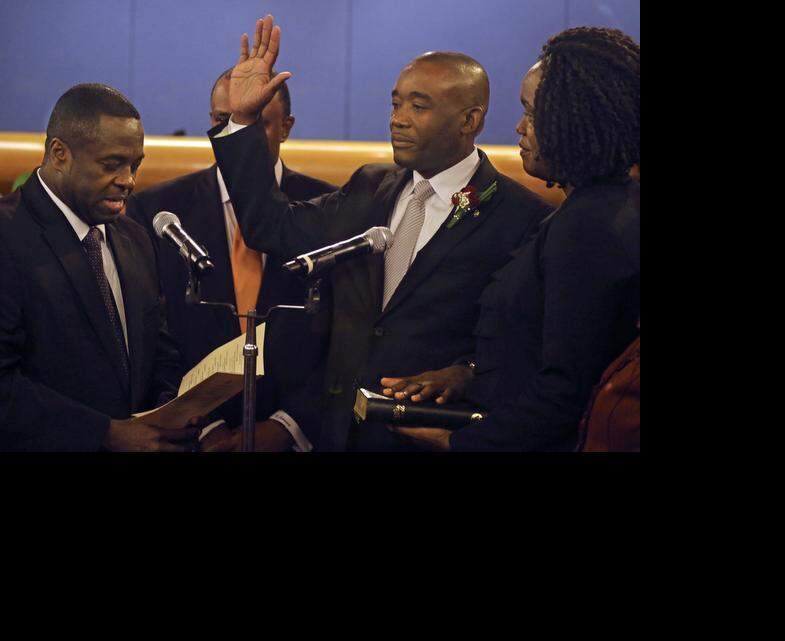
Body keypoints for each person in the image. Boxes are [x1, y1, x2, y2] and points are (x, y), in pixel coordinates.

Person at [208, 15, 552, 450]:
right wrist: (241, 120)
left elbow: (526, 346)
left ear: (470, 119)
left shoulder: (521, 217)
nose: (399, 120)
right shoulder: (369, 187)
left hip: (427, 439)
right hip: (337, 436)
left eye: (418, 107)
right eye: (396, 104)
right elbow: (270, 227)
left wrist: (466, 369)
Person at [384, 27, 641, 451]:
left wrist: (458, 443)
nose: (520, 127)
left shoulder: (588, 227)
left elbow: (564, 390)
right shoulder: (606, 208)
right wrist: (467, 372)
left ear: (577, 120)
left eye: (534, 114)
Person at [127, 68, 337, 452]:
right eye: (221, 121)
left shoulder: (329, 208)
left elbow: (341, 336)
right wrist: (204, 428)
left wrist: (288, 426)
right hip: (192, 438)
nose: (234, 134)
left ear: (286, 127)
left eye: (253, 122)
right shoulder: (156, 210)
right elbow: (152, 335)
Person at [0, 83, 199, 451]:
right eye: (112, 165)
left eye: (135, 164)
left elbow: (160, 349)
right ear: (60, 154)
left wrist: (167, 410)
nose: (128, 180)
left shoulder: (136, 238)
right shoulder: (8, 236)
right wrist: (106, 435)